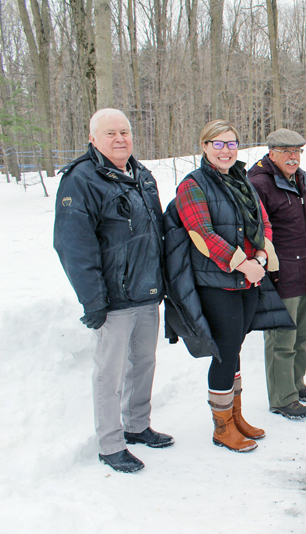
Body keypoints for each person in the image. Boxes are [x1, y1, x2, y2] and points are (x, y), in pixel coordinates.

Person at [54, 108, 173, 473]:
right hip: (114, 297)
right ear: (93, 139)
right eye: (110, 133)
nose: (120, 139)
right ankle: (110, 443)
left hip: (148, 291)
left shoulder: (142, 175)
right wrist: (93, 299)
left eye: (125, 131)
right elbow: (73, 246)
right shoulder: (82, 179)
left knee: (144, 363)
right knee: (110, 371)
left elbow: (157, 232)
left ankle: (137, 426)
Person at [163, 120, 293, 453]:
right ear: (205, 147)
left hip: (248, 280)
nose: (226, 150)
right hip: (217, 281)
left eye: (231, 143)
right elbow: (202, 234)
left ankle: (235, 416)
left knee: (234, 347)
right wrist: (244, 263)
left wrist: (262, 253)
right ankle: (222, 427)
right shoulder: (193, 184)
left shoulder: (242, 180)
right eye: (218, 144)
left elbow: (263, 220)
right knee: (224, 353)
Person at [248, 128, 306, 420]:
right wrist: (267, 270)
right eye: (287, 151)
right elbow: (257, 232)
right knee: (282, 338)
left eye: (298, 151)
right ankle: (282, 397)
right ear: (271, 153)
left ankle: (296, 384)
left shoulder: (301, 179)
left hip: (305, 271)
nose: (293, 157)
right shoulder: (259, 184)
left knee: (302, 334)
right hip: (281, 273)